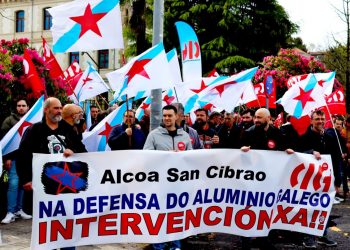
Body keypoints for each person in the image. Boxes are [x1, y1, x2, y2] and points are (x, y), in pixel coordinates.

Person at [240, 108, 293, 250]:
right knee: (248, 209)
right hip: (251, 180)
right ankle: (245, 241)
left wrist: (287, 150)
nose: (256, 120)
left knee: (265, 210)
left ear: (268, 118)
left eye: (259, 117)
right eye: (255, 117)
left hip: (269, 180)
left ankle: (263, 239)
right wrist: (242, 151)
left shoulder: (276, 133)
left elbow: (282, 148)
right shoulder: (248, 132)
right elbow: (237, 155)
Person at [143, 105, 192, 250]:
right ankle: (158, 245)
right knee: (159, 216)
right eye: (164, 116)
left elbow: (192, 157)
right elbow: (146, 156)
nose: (167, 118)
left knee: (176, 216)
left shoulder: (184, 136)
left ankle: (175, 245)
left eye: (170, 115)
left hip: (178, 184)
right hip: (159, 184)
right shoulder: (153, 135)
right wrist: (165, 156)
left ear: (177, 116)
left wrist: (182, 156)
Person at [297, 110, 337, 248]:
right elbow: (297, 154)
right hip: (309, 181)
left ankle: (322, 235)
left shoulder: (330, 137)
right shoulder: (304, 137)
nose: (320, 121)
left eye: (322, 118)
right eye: (317, 119)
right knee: (309, 208)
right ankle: (308, 236)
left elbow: (336, 159)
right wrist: (310, 152)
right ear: (311, 121)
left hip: (326, 180)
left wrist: (336, 181)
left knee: (324, 208)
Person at [1, 99, 32, 224]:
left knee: (23, 184)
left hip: (26, 157)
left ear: (28, 107)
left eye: (23, 105)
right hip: (14, 158)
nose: (21, 108)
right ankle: (10, 212)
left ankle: (19, 209)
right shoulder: (9, 120)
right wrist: (7, 157)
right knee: (13, 184)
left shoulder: (32, 120)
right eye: (19, 105)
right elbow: (5, 140)